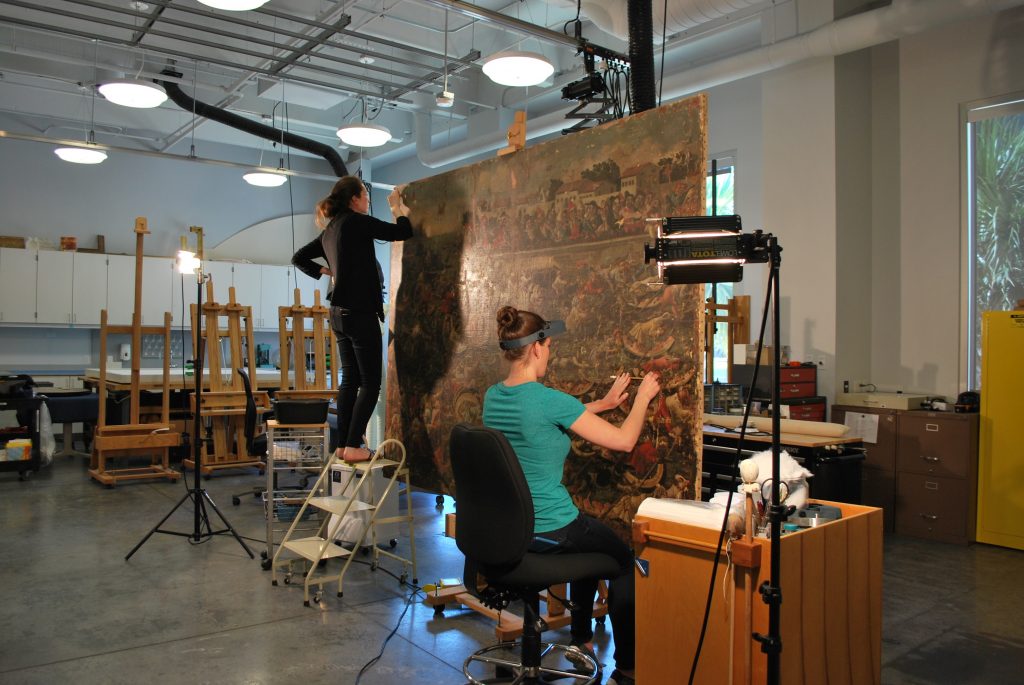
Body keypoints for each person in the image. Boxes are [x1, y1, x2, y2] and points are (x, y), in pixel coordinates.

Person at [482, 305, 661, 685]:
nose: (551, 352)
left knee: (590, 544)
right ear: (536, 349)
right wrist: (642, 397)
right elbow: (625, 441)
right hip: (552, 527)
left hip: (509, 531)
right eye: (549, 346)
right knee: (624, 560)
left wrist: (606, 405)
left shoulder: (493, 398)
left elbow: (546, 418)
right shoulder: (548, 400)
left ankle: (581, 640)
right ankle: (627, 668)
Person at [292, 176, 412, 462]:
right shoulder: (356, 221)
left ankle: (345, 445)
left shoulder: (331, 230)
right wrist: (397, 208)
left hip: (337, 314)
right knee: (371, 383)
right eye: (365, 196)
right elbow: (402, 232)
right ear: (354, 199)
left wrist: (330, 271)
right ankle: (354, 446)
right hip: (359, 313)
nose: (367, 201)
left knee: (350, 380)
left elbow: (299, 258)